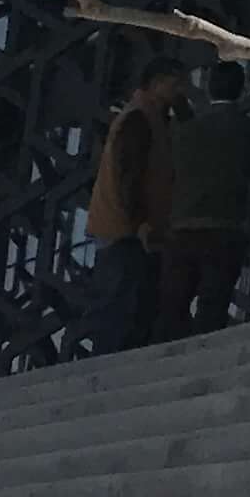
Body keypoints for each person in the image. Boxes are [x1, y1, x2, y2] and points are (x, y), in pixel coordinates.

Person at [157, 62, 250, 337]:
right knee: (213, 306)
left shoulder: (184, 131)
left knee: (174, 305)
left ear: (209, 89)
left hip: (184, 226)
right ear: (243, 88)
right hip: (226, 227)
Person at [85, 64, 187, 353]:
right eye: (174, 85)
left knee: (131, 308)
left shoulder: (150, 118)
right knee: (122, 309)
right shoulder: (139, 120)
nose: (179, 92)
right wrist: (140, 223)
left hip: (127, 228)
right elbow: (129, 176)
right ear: (155, 84)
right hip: (125, 231)